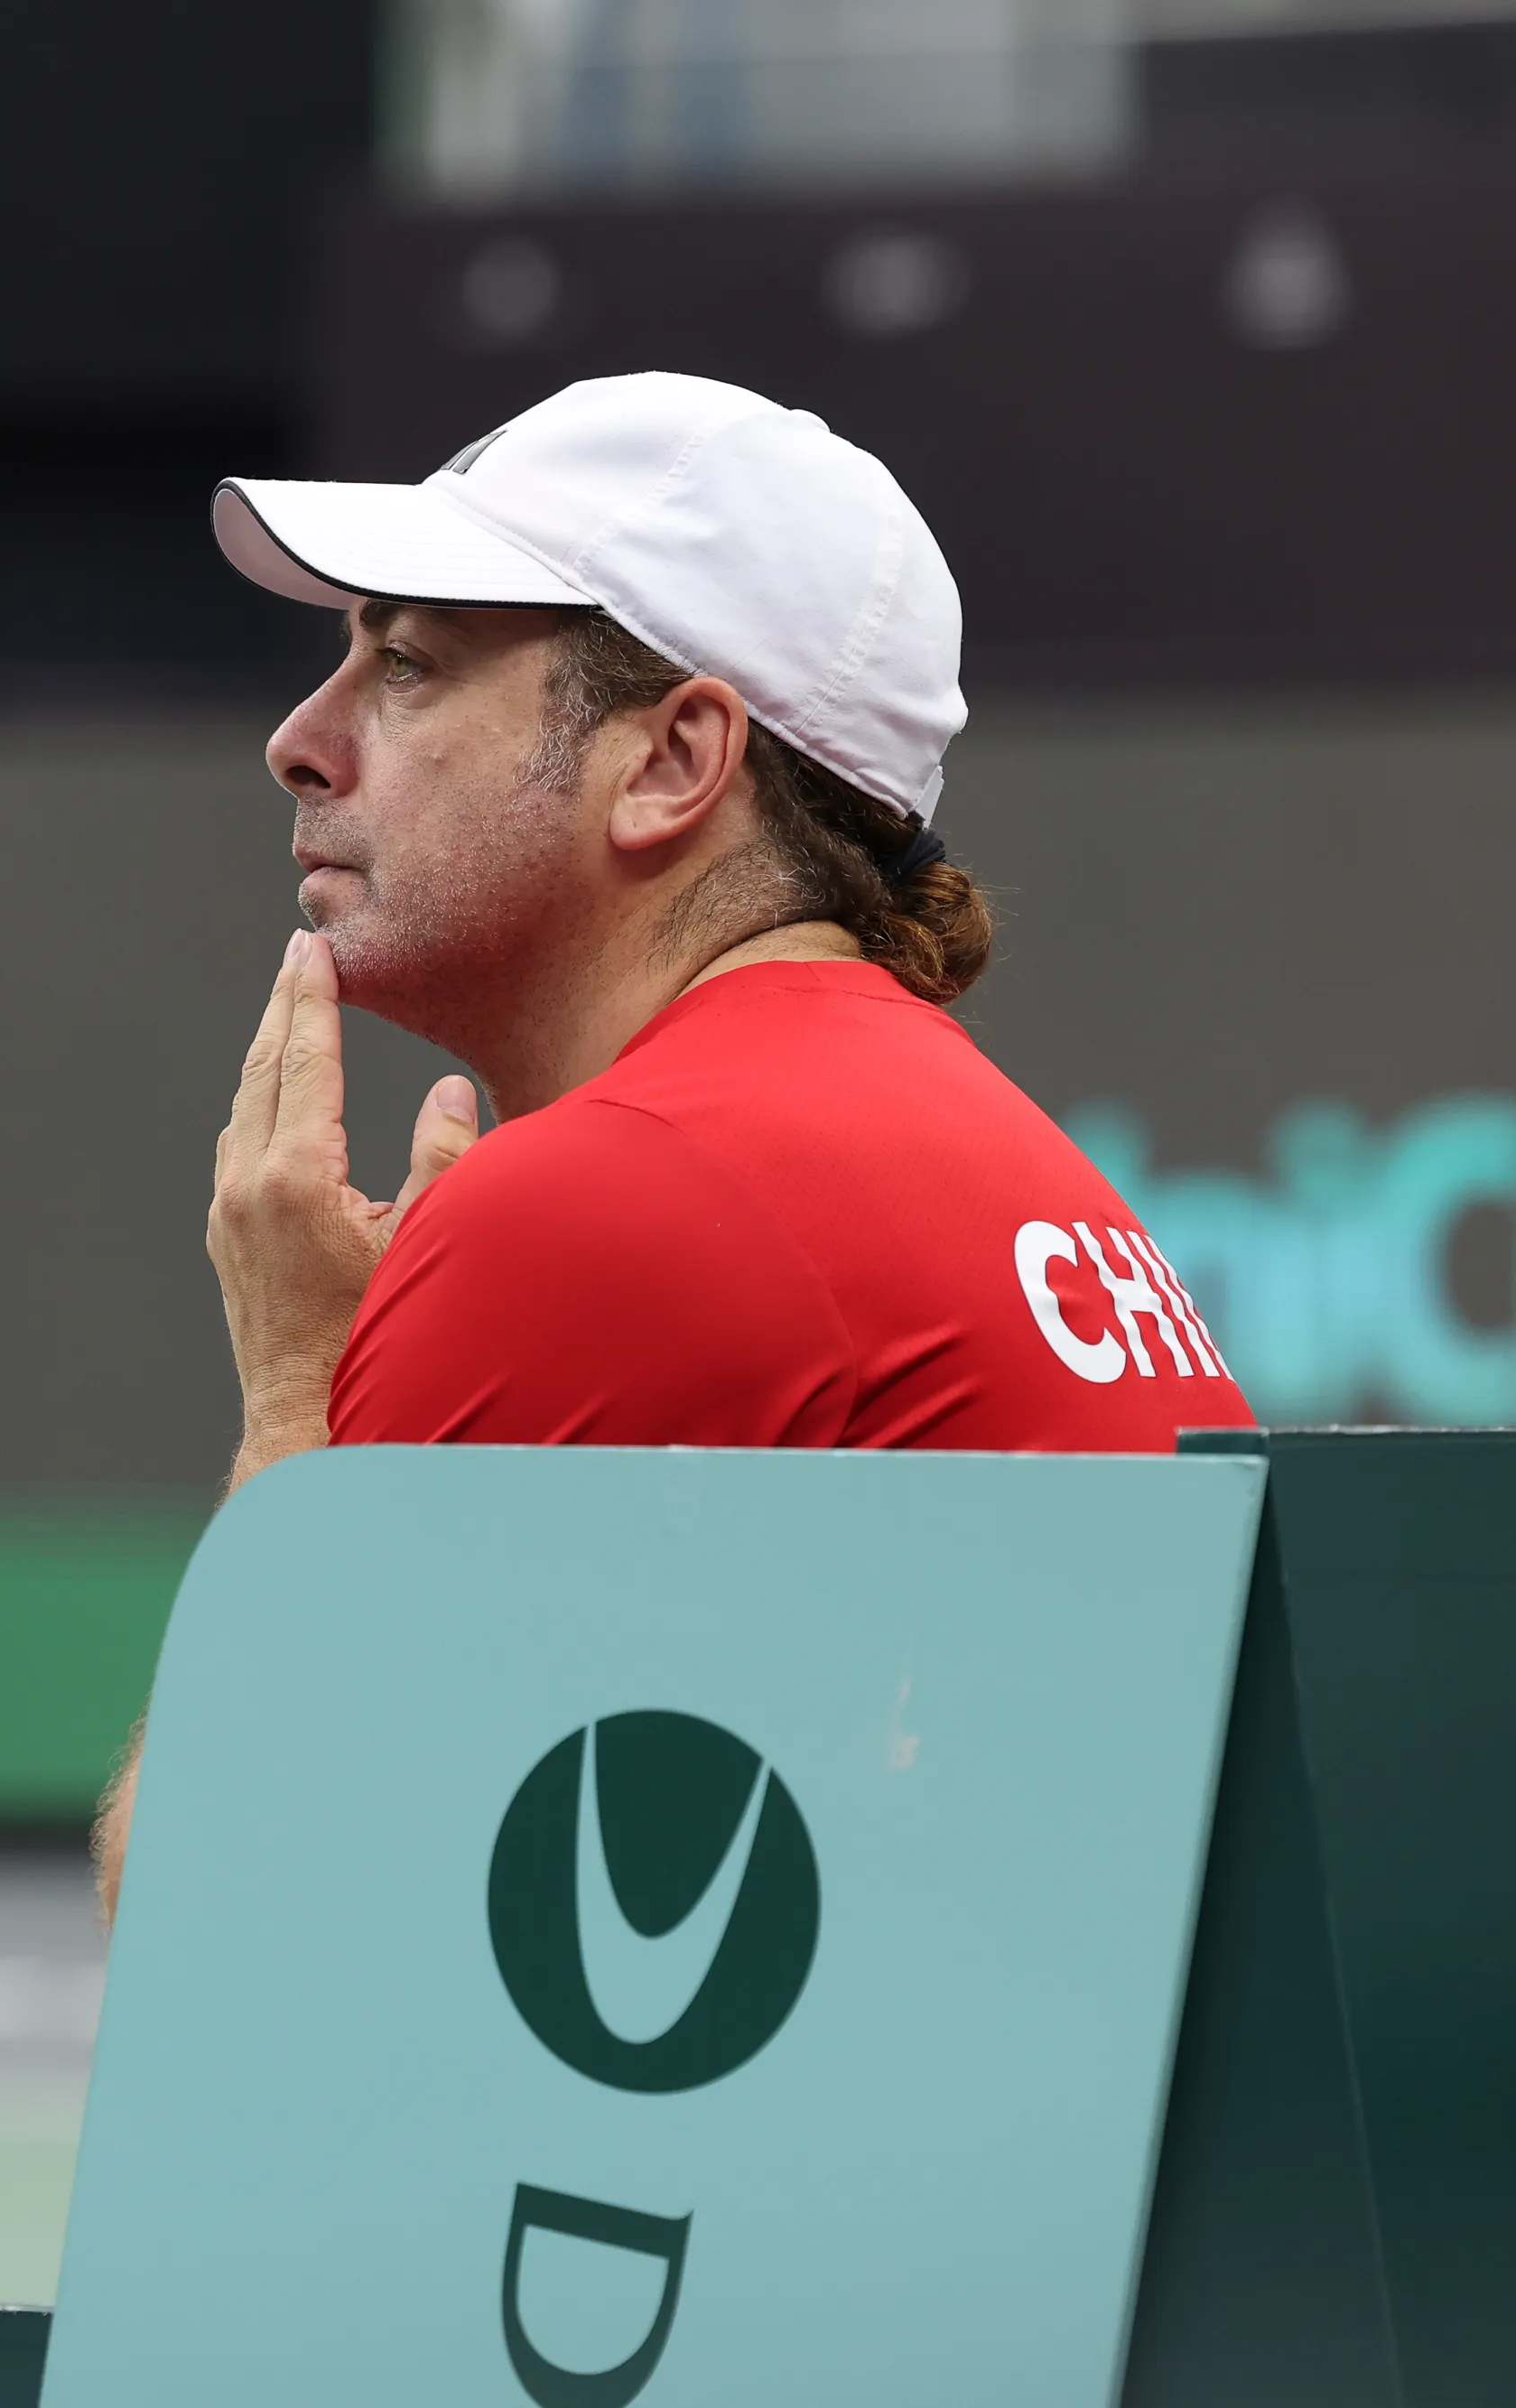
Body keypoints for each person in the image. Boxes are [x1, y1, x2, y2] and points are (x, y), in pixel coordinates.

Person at [93, 372, 1251, 1911]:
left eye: (411, 662)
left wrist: (297, 1407)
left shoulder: (629, 1196)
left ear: (670, 761)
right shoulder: (913, 1128)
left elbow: (218, 1931)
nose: (299, 741)